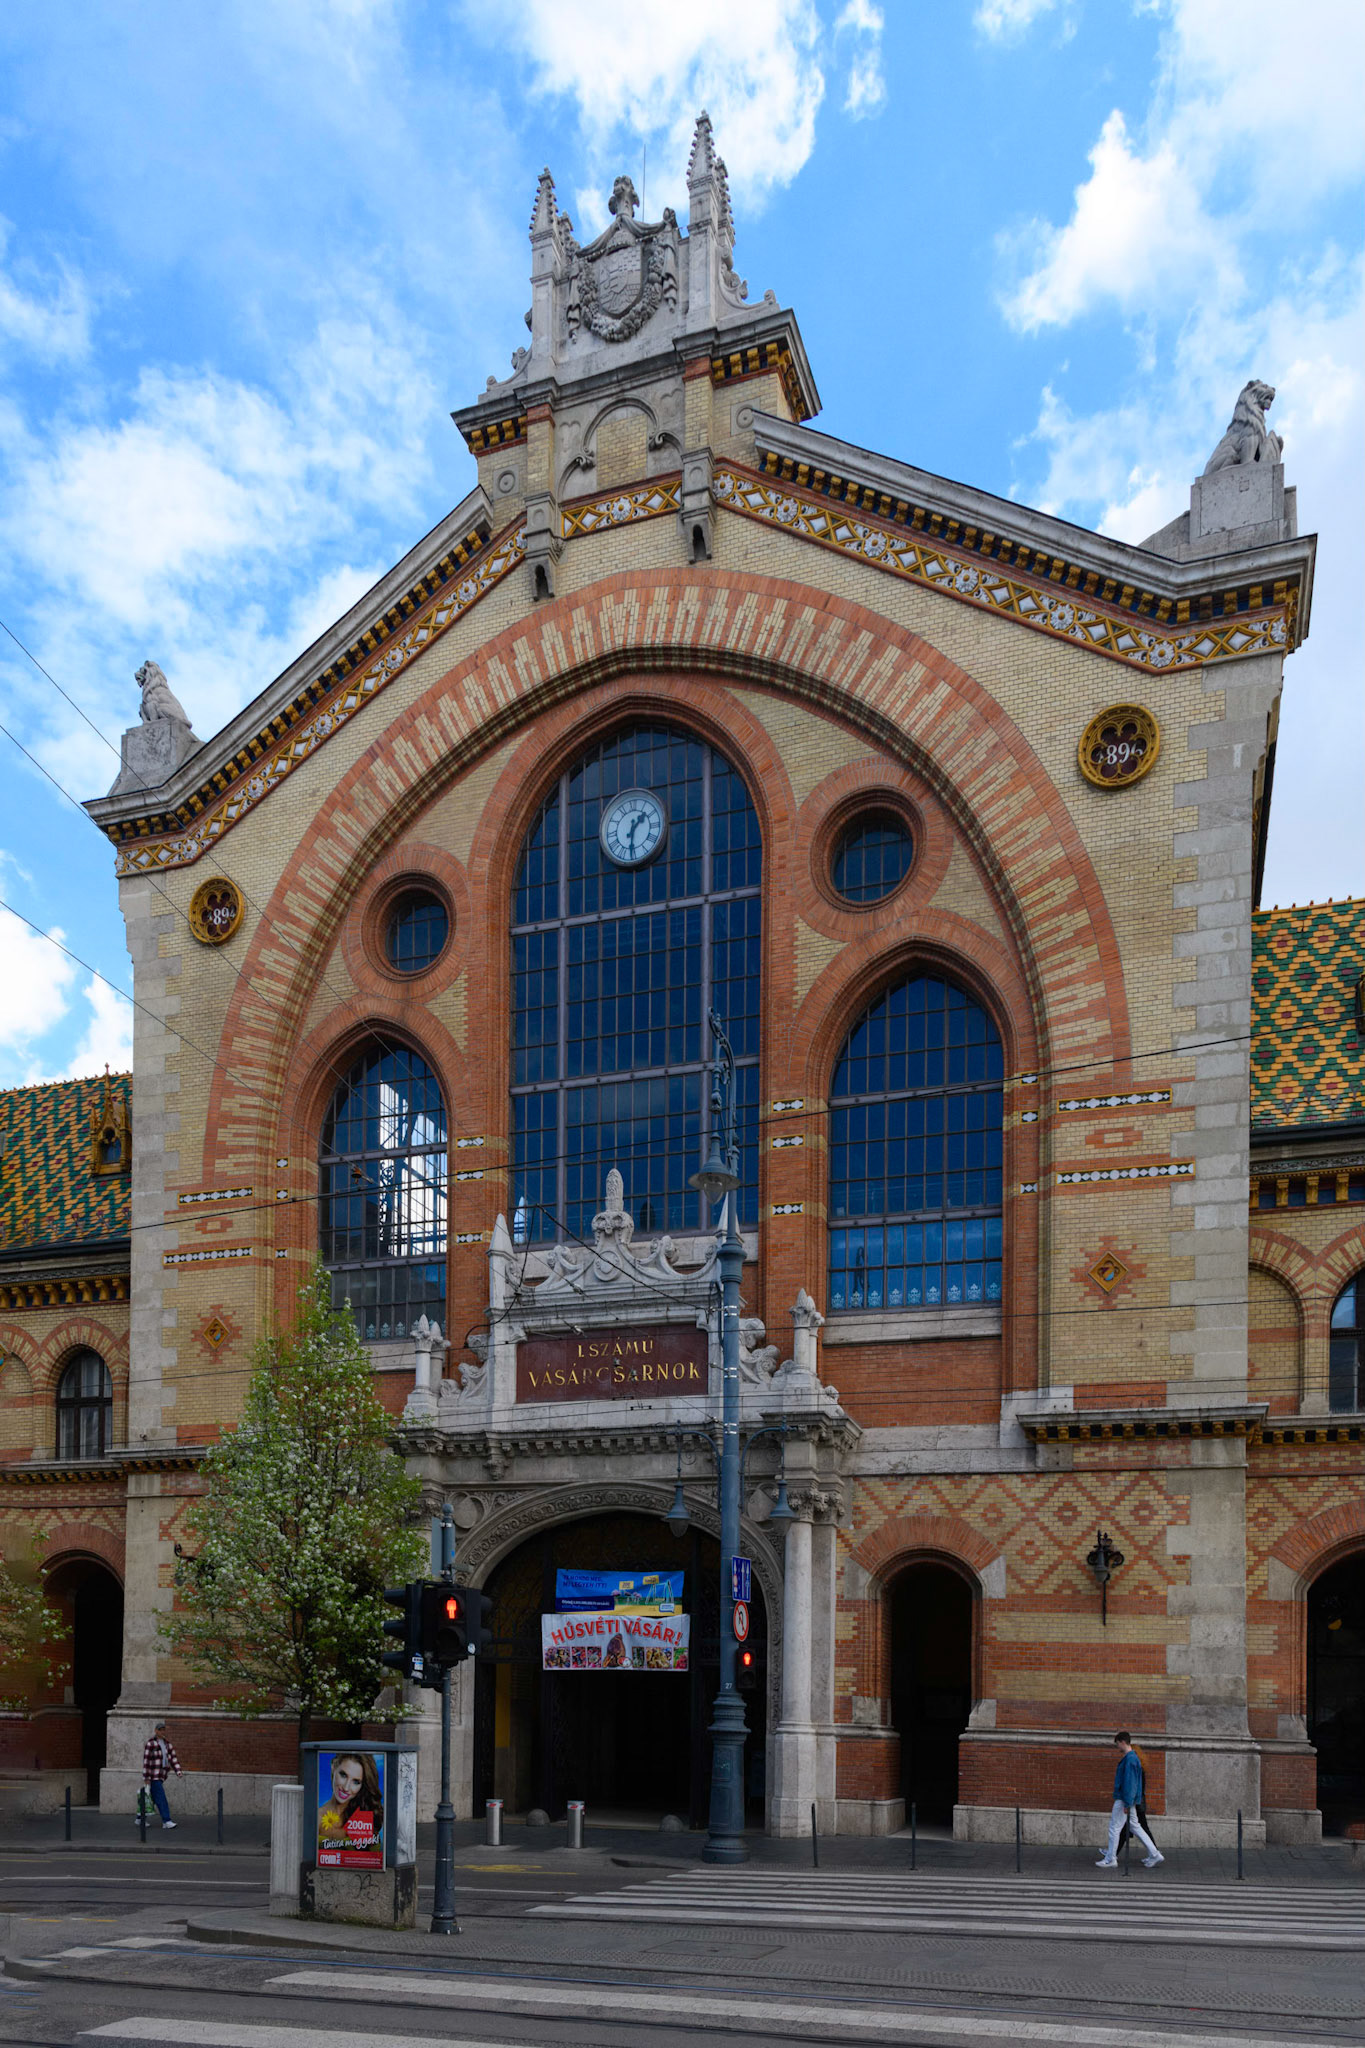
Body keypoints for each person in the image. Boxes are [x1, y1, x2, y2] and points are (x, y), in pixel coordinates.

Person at [1097, 1730, 1163, 1869]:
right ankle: (1154, 1854)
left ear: (1122, 1742)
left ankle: (1110, 1859)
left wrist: (1127, 1802)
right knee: (1136, 1827)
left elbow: (1129, 1783)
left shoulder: (1130, 1759)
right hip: (1129, 1799)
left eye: (1117, 1744)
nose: (1117, 1747)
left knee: (1115, 1828)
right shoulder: (1133, 1758)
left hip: (1124, 1799)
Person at [316, 1751, 383, 1857]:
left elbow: (375, 1858)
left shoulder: (363, 1815)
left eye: (356, 1782)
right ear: (333, 1767)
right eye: (343, 1775)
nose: (346, 1788)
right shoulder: (317, 1818)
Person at [138, 1720, 183, 1830]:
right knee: (161, 1798)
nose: (162, 1732)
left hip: (161, 1776)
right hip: (154, 1776)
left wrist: (178, 1771)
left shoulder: (167, 1744)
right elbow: (146, 1762)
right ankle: (166, 1821)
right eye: (160, 1730)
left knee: (151, 1799)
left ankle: (139, 1818)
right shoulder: (150, 1743)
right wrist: (146, 1778)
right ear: (155, 1731)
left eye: (164, 1730)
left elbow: (173, 1759)